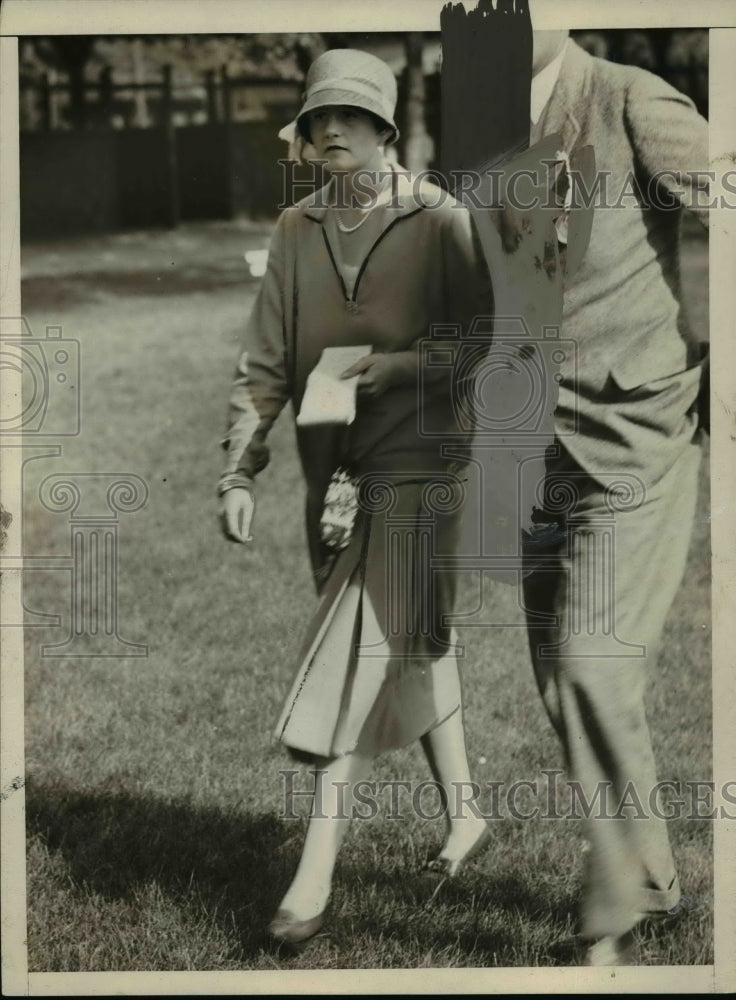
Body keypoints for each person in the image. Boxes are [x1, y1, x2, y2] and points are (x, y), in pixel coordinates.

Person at [218, 48, 493, 946]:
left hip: (422, 463)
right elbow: (264, 363)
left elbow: (489, 343)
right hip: (330, 476)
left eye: (348, 116)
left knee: (350, 656)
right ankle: (466, 815)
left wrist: (400, 367)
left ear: (385, 129)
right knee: (414, 644)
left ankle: (313, 879)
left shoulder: (440, 219)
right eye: (315, 118)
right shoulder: (296, 229)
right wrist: (236, 468)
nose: (328, 130)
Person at [519, 31, 709, 965]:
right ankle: (656, 873)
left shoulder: (632, 98)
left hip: (635, 440)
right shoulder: (477, 118)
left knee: (591, 666)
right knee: (564, 685)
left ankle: (607, 918)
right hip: (529, 452)